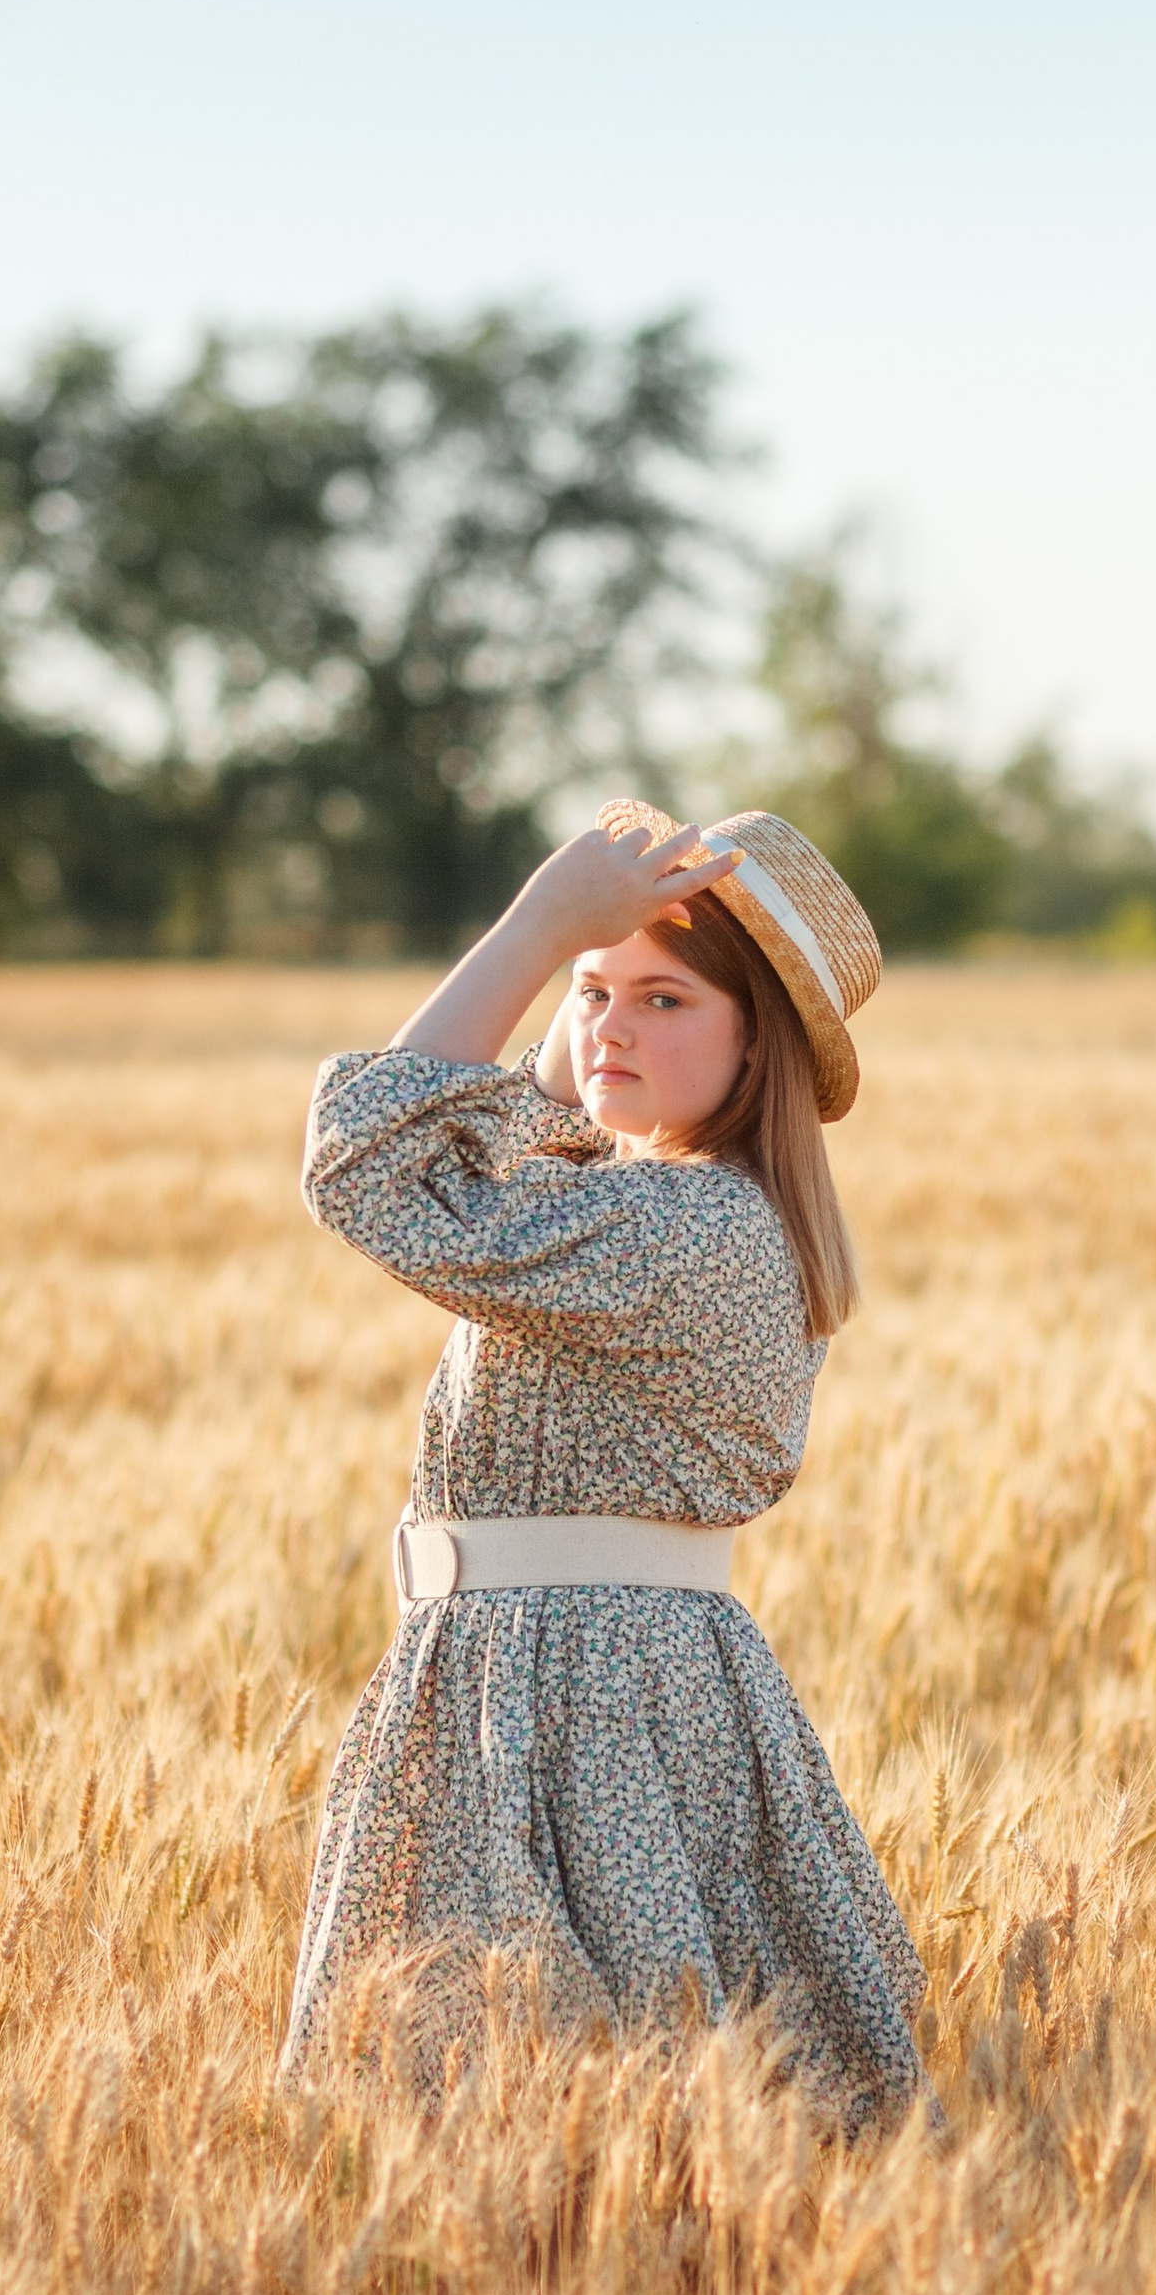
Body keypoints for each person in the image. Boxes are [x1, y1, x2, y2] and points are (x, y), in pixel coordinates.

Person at [282, 799, 926, 2115]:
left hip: (572, 1698)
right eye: (593, 992)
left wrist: (535, 930)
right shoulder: (668, 1206)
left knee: (549, 2111)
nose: (613, 1026)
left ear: (761, 1049)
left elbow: (372, 1163)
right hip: (591, 1671)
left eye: (669, 1000)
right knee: (590, 2112)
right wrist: (570, 1024)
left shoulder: (680, 1227)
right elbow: (471, 1138)